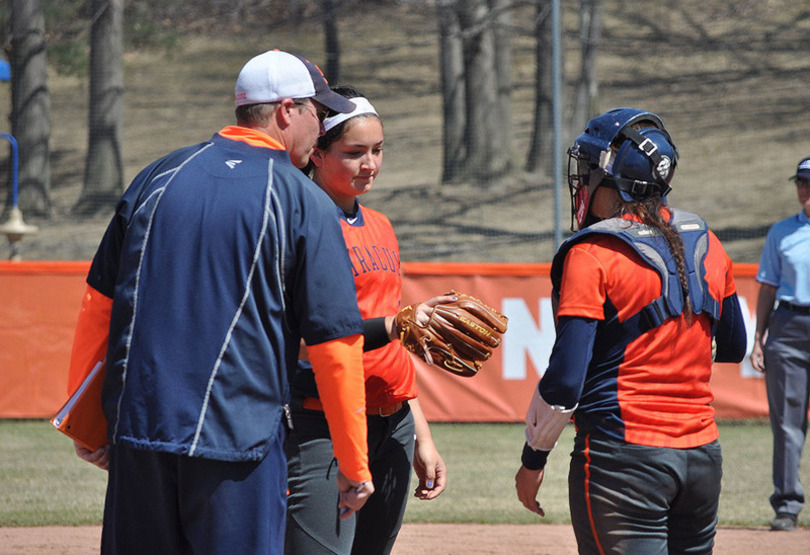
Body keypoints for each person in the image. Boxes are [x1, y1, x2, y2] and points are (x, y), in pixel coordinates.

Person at [65, 49, 375, 554]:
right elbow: (334, 343)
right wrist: (353, 462)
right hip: (237, 446)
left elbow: (100, 304)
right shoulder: (301, 199)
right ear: (284, 112)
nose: (321, 128)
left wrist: (91, 421)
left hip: (140, 436)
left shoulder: (157, 177)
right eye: (316, 113)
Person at [514, 107, 747, 553]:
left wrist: (533, 459)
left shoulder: (594, 253)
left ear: (617, 179)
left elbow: (565, 382)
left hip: (624, 457)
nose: (582, 181)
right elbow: (733, 346)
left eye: (589, 170)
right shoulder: (707, 241)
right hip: (701, 456)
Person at [285, 85, 447, 555]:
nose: (370, 164)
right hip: (323, 422)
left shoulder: (380, 226)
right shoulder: (299, 225)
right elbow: (296, 339)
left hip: (393, 423)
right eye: (353, 152)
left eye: (377, 150)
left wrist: (422, 437)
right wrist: (394, 326)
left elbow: (395, 349)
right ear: (316, 152)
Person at [750, 156, 810, 532]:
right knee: (787, 422)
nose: (805, 189)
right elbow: (768, 286)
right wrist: (759, 337)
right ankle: (787, 504)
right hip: (788, 326)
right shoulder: (781, 232)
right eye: (801, 183)